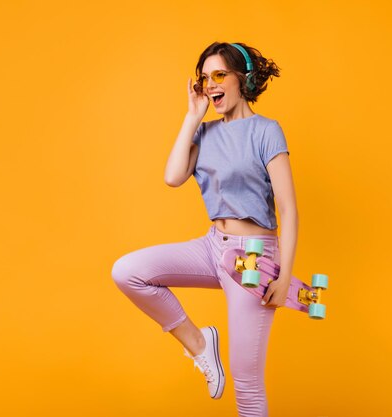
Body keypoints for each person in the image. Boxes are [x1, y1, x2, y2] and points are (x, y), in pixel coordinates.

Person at [111, 41, 298, 417]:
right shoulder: (204, 133)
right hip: (213, 246)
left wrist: (285, 275)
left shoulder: (266, 131)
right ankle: (199, 344)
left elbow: (289, 209)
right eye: (204, 78)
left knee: (247, 386)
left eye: (219, 75)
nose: (210, 85)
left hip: (254, 258)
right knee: (127, 271)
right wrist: (192, 117)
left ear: (242, 79)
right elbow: (172, 177)